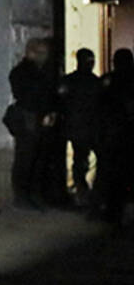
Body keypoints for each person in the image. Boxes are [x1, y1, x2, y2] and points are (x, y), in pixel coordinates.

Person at [6, 37, 59, 209]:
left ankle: (34, 195)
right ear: (31, 52)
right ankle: (22, 197)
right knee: (26, 159)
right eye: (41, 53)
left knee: (38, 159)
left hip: (39, 119)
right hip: (28, 119)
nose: (45, 57)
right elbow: (27, 96)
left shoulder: (40, 72)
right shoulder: (22, 73)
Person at [58, 47, 102, 209]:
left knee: (83, 160)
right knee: (82, 161)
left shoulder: (74, 81)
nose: (91, 64)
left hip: (84, 127)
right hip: (83, 127)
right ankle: (84, 191)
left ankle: (85, 191)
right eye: (89, 61)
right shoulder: (93, 82)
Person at [97, 47, 134, 224]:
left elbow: (99, 106)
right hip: (124, 132)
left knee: (111, 174)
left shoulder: (108, 80)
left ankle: (111, 210)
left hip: (113, 134)